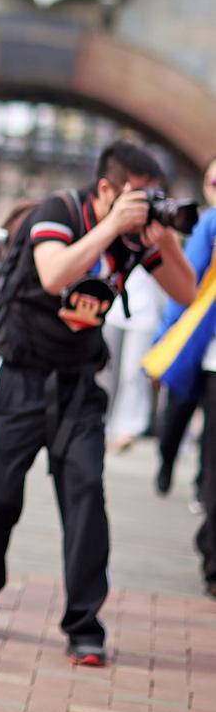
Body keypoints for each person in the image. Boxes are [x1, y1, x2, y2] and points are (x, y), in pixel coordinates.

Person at [0, 140, 196, 666]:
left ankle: (85, 622)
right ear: (106, 189)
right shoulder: (58, 211)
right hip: (17, 374)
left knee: (85, 499)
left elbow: (188, 293)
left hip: (77, 384)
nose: (142, 208)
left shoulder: (136, 237)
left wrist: (163, 240)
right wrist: (109, 228)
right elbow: (54, 272)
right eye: (137, 197)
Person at [154, 158, 216, 505]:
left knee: (196, 417)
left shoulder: (210, 222)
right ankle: (169, 463)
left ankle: (199, 485)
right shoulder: (209, 224)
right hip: (194, 339)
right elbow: (186, 287)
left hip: (201, 345)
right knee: (180, 410)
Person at [101, 266, 165, 452]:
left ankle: (129, 427)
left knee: (133, 374)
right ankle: (103, 424)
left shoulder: (157, 241)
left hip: (144, 314)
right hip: (113, 310)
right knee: (106, 372)